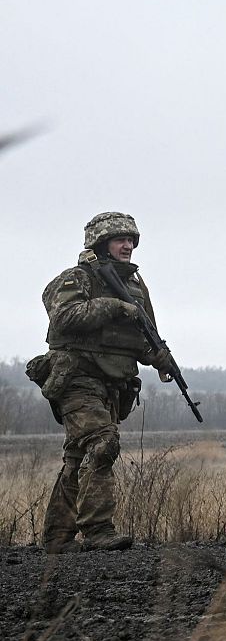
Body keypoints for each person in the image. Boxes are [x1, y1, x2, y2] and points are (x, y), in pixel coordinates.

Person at [31, 212, 178, 552]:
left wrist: (159, 358)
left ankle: (57, 539)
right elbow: (64, 318)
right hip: (76, 378)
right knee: (102, 443)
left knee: (77, 456)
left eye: (131, 240)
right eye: (119, 239)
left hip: (112, 383)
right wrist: (113, 307)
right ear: (100, 243)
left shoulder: (135, 287)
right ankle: (98, 531)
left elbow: (143, 335)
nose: (128, 245)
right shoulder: (76, 279)